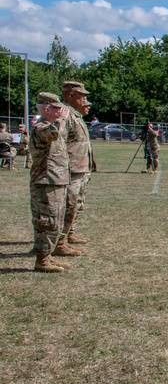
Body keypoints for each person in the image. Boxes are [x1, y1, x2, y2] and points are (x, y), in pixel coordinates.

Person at [29, 92, 72, 273]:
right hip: (45, 182)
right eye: (57, 108)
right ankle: (42, 259)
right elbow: (52, 134)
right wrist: (61, 118)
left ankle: (49, 255)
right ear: (47, 109)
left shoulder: (51, 125)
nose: (61, 111)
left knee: (56, 222)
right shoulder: (41, 127)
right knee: (46, 222)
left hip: (56, 180)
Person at [60, 81, 95, 250]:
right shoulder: (65, 114)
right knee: (68, 205)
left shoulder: (75, 115)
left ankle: (70, 233)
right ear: (70, 95)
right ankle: (60, 242)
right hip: (70, 170)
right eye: (82, 96)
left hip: (80, 169)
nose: (85, 99)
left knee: (77, 204)